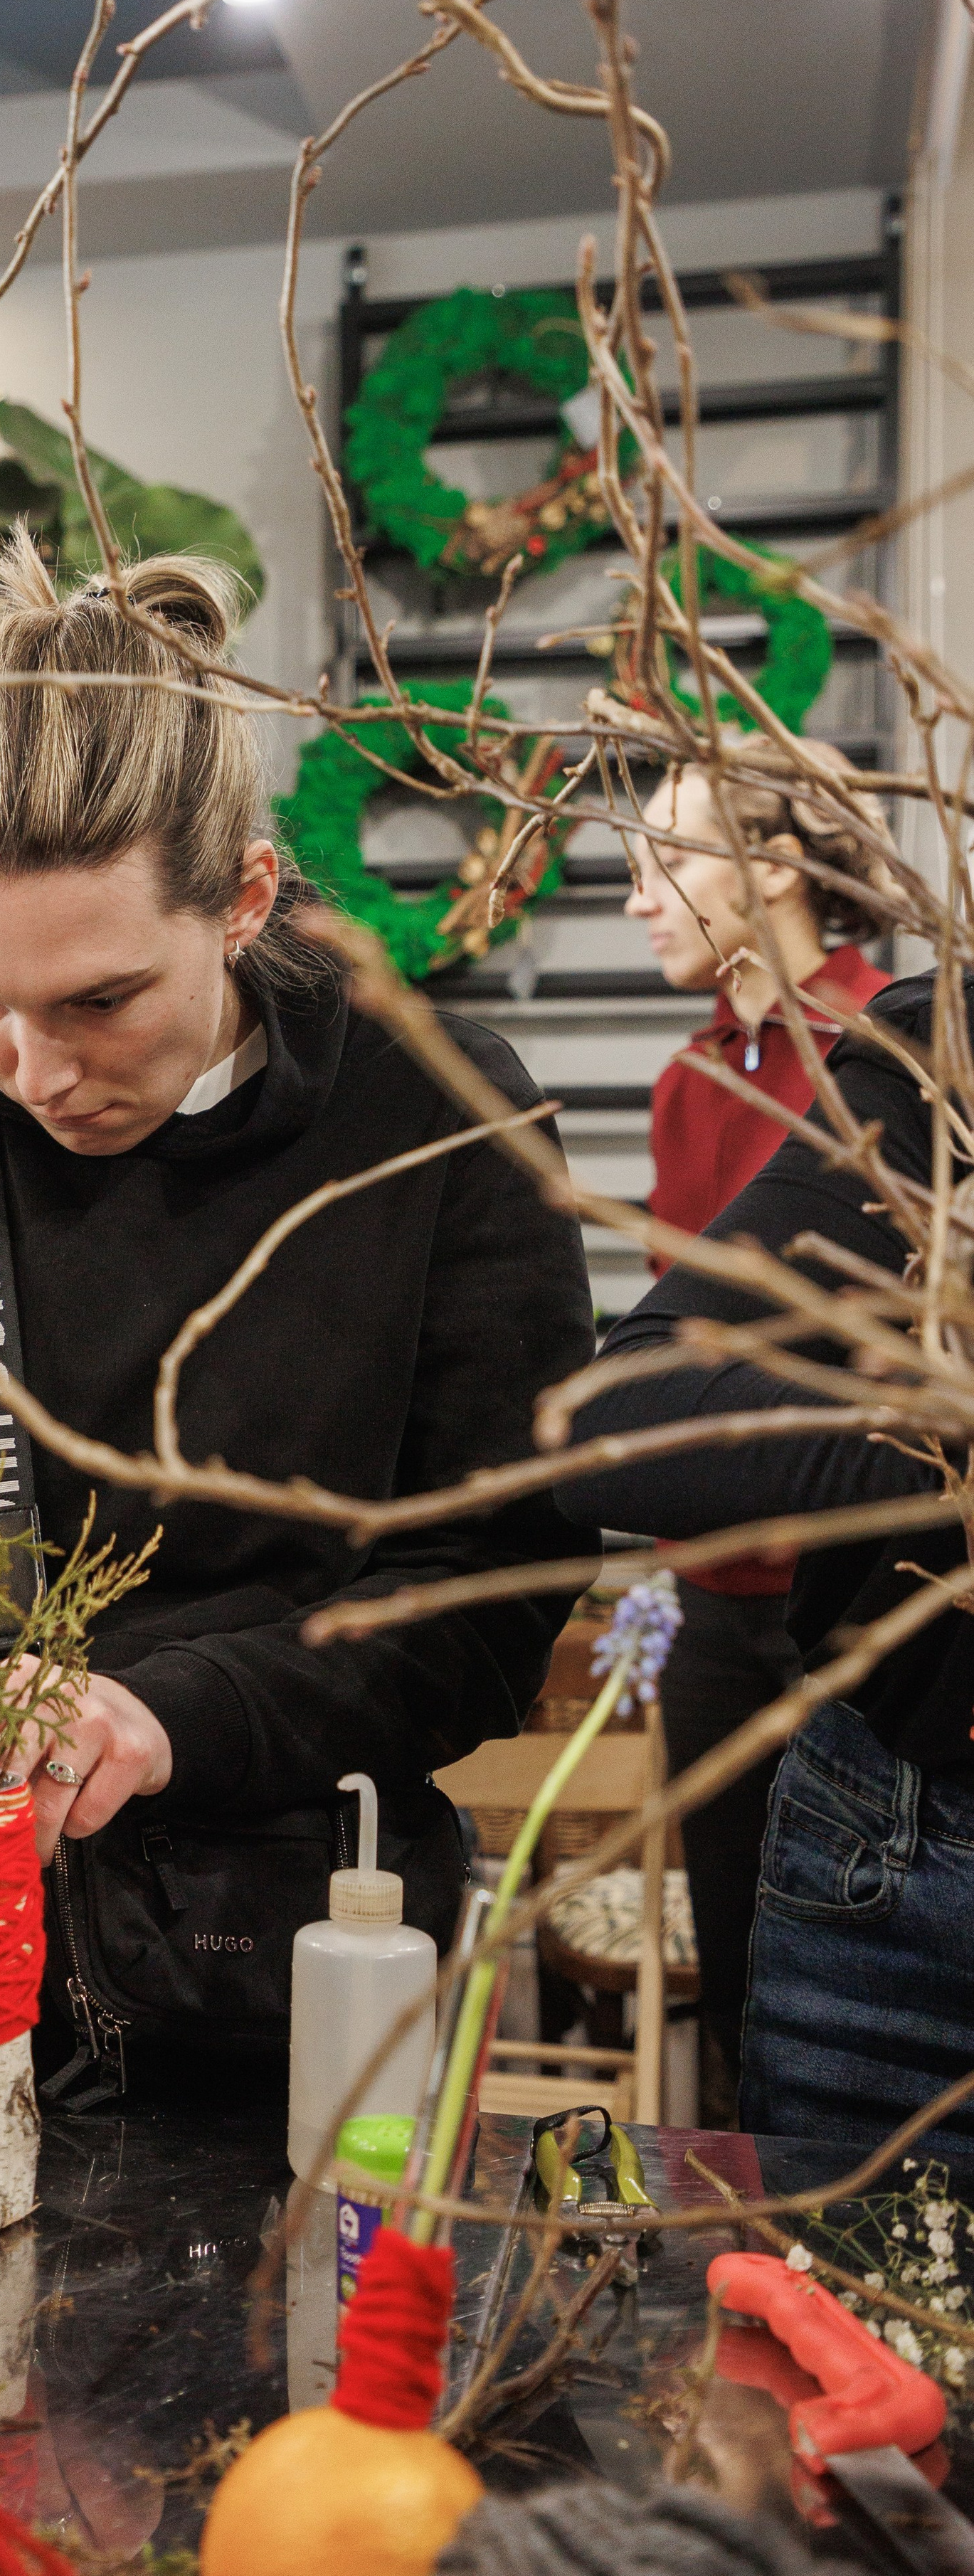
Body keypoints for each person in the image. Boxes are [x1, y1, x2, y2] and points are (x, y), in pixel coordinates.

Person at [0, 534, 600, 2064]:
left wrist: (165, 1715)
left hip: (264, 1972)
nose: (37, 1071)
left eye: (99, 1001)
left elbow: (491, 1596)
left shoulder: (433, 1114)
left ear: (241, 899)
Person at [551, 943, 974, 2148]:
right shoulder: (914, 1058)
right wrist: (936, 1455)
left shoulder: (839, 1029)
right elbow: (634, 1393)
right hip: (888, 1797)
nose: (638, 903)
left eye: (664, 865)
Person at [623, 736, 896, 2117]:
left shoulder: (886, 1050)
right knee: (737, 1977)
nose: (638, 897)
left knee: (864, 1984)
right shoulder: (687, 1079)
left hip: (856, 1601)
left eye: (666, 860)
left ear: (775, 866)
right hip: (707, 1608)